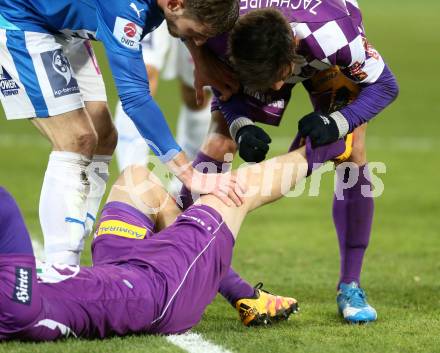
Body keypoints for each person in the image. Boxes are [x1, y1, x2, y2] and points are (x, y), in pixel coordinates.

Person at [0, 136, 349, 341]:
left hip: (118, 271)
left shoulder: (15, 302)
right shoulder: (15, 307)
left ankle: (231, 286)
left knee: (137, 179)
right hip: (160, 292)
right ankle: (332, 144)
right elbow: (6, 207)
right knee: (237, 191)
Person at [180, 1, 399, 323]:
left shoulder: (336, 36)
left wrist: (338, 123)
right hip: (255, 46)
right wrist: (242, 126)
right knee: (219, 141)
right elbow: (223, 89)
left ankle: (350, 284)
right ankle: (190, 253)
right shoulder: (221, 29)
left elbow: (385, 86)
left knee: (352, 153)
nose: (278, 88)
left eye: (280, 77)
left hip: (324, 58)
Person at [0, 0, 241, 266]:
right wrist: (189, 174)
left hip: (62, 29)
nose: (198, 42)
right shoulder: (124, 8)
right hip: (21, 20)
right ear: (174, 4)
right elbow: (136, 99)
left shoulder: (168, 6)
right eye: (197, 34)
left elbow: (185, 22)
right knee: (75, 138)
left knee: (104, 138)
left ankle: (74, 246)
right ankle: (61, 267)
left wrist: (199, 61)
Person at [114, 22, 212, 176]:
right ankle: (133, 180)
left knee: (196, 94)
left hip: (196, 7)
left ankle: (185, 184)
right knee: (139, 78)